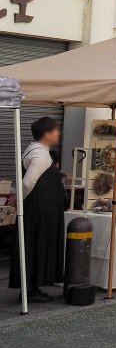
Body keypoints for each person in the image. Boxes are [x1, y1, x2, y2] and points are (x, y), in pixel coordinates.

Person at [9, 117, 64, 302]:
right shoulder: (39, 154)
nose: (58, 133)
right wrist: (22, 204)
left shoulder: (38, 151)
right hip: (38, 212)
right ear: (46, 134)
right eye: (55, 130)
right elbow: (27, 183)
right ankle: (30, 290)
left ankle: (32, 286)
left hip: (39, 210)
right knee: (35, 245)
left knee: (34, 246)